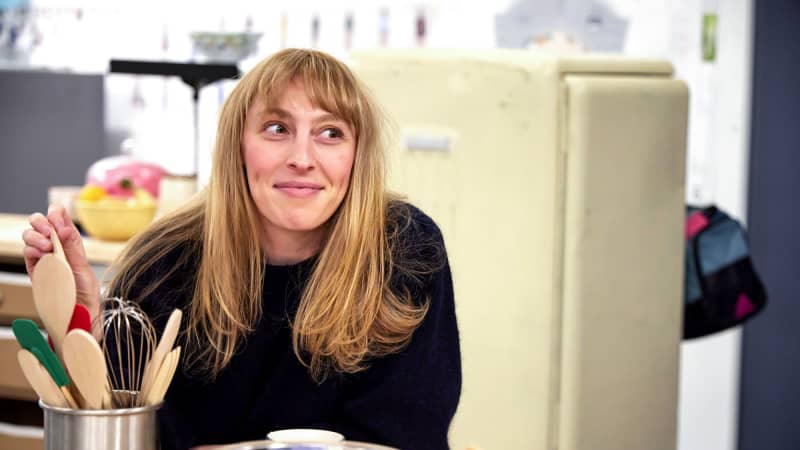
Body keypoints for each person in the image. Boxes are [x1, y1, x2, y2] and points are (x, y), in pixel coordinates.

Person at [22, 49, 461, 450]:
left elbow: (407, 437)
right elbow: (108, 431)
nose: (302, 158)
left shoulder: (404, 252)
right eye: (277, 129)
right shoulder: (163, 262)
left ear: (356, 155)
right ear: (237, 145)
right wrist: (79, 323)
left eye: (330, 133)